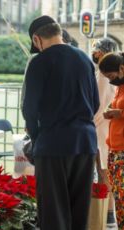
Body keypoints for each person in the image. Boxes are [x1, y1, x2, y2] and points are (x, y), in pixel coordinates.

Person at [22, 15, 99, 230]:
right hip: (85, 142)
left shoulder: (40, 62)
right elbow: (95, 103)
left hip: (53, 144)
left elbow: (30, 108)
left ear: (37, 39)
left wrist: (36, 137)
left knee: (53, 211)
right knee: (79, 209)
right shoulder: (84, 59)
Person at [91, 38, 118, 228]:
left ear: (100, 52)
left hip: (100, 129)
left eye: (94, 50)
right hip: (106, 127)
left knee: (103, 172)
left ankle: (107, 213)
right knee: (105, 172)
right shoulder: (113, 74)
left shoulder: (102, 76)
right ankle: (108, 213)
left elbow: (97, 106)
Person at [98, 52, 124, 229]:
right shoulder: (119, 88)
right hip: (114, 147)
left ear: (122, 68)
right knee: (118, 195)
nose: (110, 80)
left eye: (111, 76)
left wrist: (120, 113)